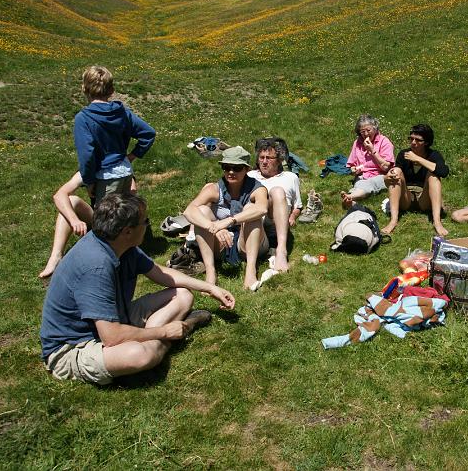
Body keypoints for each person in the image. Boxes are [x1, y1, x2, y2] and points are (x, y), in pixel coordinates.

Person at [39, 193, 235, 386]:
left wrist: (210, 288)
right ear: (127, 231)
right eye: (144, 222)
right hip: (74, 346)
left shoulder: (122, 245)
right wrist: (164, 332)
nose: (147, 226)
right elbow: (111, 336)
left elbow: (161, 273)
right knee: (140, 355)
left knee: (183, 295)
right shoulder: (95, 266)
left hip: (114, 318)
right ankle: (174, 336)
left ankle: (154, 343)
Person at [183, 146, 269, 290]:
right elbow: (189, 211)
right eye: (226, 167)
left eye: (237, 168)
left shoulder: (257, 187)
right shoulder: (214, 189)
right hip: (223, 242)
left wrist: (228, 221)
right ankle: (211, 272)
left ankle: (250, 270)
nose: (230, 172)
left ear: (247, 169)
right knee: (202, 211)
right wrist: (213, 227)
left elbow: (262, 208)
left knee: (251, 210)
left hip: (249, 242)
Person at [74, 65, 156, 205]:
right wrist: (132, 155)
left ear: (84, 88)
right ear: (111, 90)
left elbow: (87, 155)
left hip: (106, 177)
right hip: (125, 171)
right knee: (124, 213)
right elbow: (148, 133)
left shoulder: (83, 118)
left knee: (106, 220)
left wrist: (89, 181)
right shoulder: (122, 112)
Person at [381, 124, 450, 237]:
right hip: (406, 197)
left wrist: (418, 159)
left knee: (434, 176)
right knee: (396, 171)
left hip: (424, 198)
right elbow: (393, 175)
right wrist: (388, 177)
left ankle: (437, 222)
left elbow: (444, 172)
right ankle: (393, 221)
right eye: (411, 138)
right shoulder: (403, 154)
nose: (413, 142)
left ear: (426, 142)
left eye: (418, 140)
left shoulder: (434, 155)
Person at [247, 138, 302, 272]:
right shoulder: (249, 176)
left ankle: (281, 250)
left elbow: (298, 206)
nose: (264, 162)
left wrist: (293, 216)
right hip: (255, 224)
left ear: (278, 160)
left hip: (276, 225)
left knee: (277, 192)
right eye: (261, 158)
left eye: (269, 158)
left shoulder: (291, 177)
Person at [341, 114, 394, 209]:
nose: (365, 134)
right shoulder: (357, 142)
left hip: (380, 175)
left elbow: (386, 167)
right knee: (361, 183)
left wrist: (372, 150)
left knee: (370, 183)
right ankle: (351, 199)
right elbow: (351, 165)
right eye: (362, 132)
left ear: (375, 128)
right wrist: (353, 170)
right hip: (363, 175)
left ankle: (350, 196)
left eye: (368, 130)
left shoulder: (384, 142)